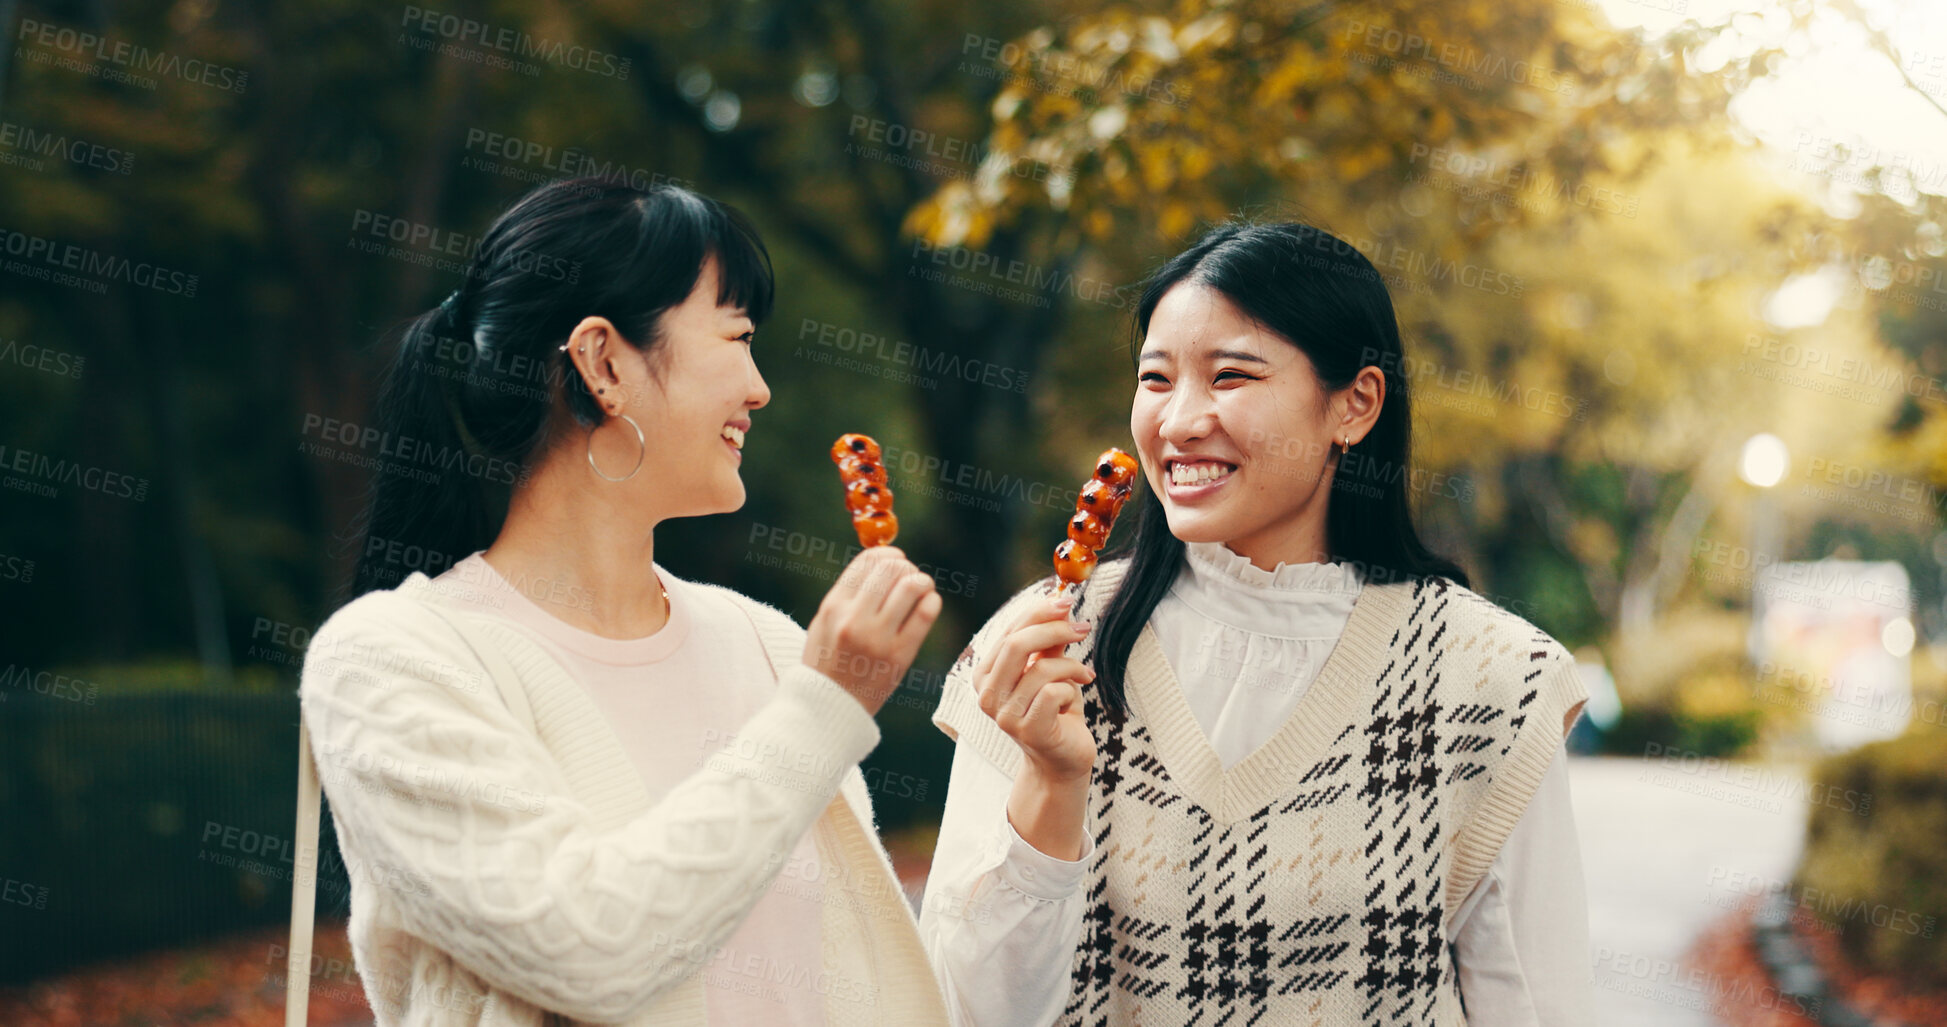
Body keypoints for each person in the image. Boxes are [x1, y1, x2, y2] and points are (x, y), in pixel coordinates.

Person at [299, 177, 949, 1026]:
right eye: (739, 336)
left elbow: (869, 981)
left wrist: (1041, 790)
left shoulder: (765, 642)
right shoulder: (396, 658)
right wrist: (825, 705)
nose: (759, 389)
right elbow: (585, 948)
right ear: (604, 362)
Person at [920, 221, 1593, 1026]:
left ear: (1355, 404)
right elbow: (963, 1011)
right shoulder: (1040, 651)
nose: (1178, 422)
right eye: (1156, 378)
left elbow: (1535, 1001)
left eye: (1230, 376)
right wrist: (1052, 782)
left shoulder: (1492, 678)